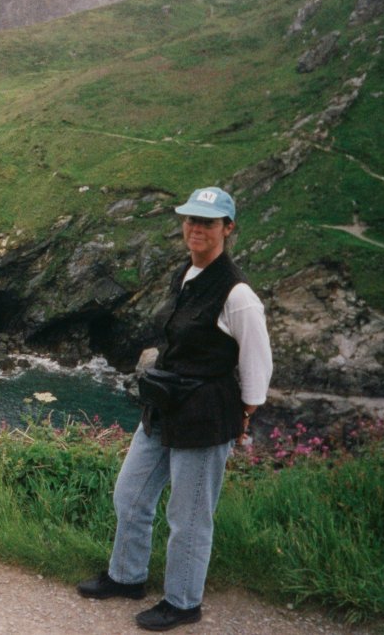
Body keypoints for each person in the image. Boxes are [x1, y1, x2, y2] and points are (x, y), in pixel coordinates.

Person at [76, 186, 272, 631]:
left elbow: (257, 363)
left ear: (228, 228)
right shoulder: (187, 273)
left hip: (206, 414)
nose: (196, 228)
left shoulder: (238, 294)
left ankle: (183, 602)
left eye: (207, 222)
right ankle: (127, 577)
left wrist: (243, 416)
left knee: (189, 515)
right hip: (166, 404)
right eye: (190, 219)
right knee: (131, 494)